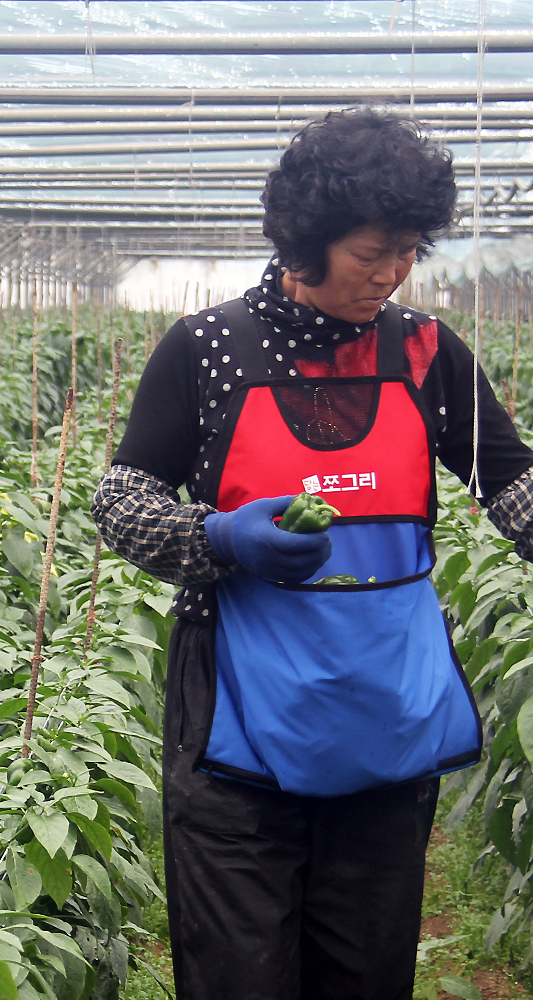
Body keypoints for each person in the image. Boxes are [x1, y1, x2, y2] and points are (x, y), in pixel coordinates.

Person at [92, 108, 533, 999]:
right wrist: (214, 535)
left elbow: (516, 490)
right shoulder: (208, 350)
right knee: (238, 970)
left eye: (409, 250)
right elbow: (121, 498)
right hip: (237, 725)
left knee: (364, 969)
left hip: (383, 714)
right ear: (306, 241)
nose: (393, 272)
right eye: (373, 252)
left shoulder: (426, 355)